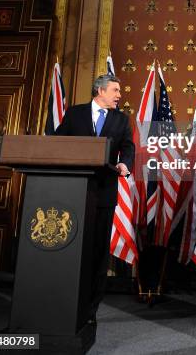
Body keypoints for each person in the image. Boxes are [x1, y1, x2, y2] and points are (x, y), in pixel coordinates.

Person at [55, 74, 135, 324]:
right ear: (100, 90)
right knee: (71, 247)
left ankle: (90, 310)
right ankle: (63, 302)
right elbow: (57, 142)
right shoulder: (75, 114)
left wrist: (125, 163)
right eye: (115, 90)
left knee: (98, 252)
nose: (119, 95)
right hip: (73, 194)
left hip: (104, 194)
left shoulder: (121, 119)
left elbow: (128, 147)